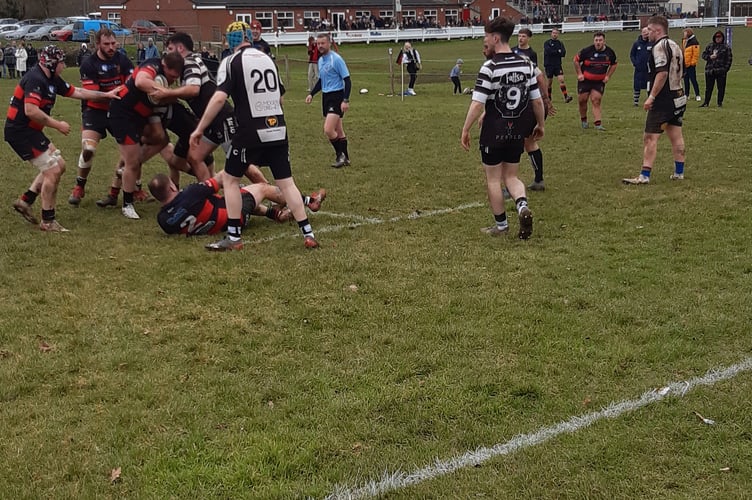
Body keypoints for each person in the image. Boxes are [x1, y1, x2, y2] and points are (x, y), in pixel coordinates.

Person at [190, 21, 319, 250]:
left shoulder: (230, 62)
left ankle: (234, 238)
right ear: (250, 36)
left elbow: (220, 98)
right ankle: (308, 234)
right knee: (287, 183)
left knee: (230, 179)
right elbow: (279, 97)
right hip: (278, 127)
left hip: (250, 130)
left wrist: (200, 128)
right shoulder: (267, 58)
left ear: (230, 41)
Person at [5, 45, 121, 232]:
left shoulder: (52, 79)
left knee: (60, 165)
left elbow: (79, 92)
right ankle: (48, 221)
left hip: (30, 131)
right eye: (61, 62)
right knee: (52, 171)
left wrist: (106, 95)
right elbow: (31, 110)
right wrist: (57, 124)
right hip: (20, 132)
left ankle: (26, 201)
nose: (64, 66)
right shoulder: (36, 79)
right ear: (51, 64)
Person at [460, 17, 544, 240]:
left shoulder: (491, 66)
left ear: (496, 38)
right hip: (517, 128)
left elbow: (478, 102)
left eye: (486, 36)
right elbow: (536, 101)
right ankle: (522, 206)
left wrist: (465, 129)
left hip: (494, 130)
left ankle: (501, 225)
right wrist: (540, 125)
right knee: (512, 176)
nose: (485, 40)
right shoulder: (526, 64)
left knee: (493, 178)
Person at [108, 51, 185, 219]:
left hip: (140, 116)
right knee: (132, 162)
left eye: (175, 78)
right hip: (123, 114)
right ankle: (127, 204)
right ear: (164, 66)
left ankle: (126, 169)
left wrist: (171, 94)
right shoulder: (152, 65)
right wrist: (165, 91)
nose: (172, 81)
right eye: (171, 76)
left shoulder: (164, 73)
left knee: (162, 139)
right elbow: (141, 81)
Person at [66, 28, 134, 206]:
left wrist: (120, 93)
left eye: (113, 43)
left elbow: (131, 82)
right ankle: (79, 186)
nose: (111, 47)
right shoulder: (89, 64)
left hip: (118, 109)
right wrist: (111, 93)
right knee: (89, 149)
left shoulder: (122, 59)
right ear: (98, 45)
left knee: (130, 151)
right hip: (95, 110)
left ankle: (114, 193)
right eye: (107, 44)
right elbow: (91, 93)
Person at [157, 31, 235, 183]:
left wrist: (167, 92)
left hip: (221, 117)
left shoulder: (189, 62)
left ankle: (271, 192)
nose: (168, 53)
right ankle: (209, 195)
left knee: (239, 162)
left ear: (180, 48)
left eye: (170, 48)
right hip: (210, 121)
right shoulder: (189, 63)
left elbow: (193, 89)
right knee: (194, 157)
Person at [148, 170, 327, 236]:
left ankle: (276, 214)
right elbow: (222, 179)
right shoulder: (190, 194)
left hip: (217, 224)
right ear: (172, 187)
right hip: (234, 218)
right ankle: (309, 201)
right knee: (262, 188)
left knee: (240, 195)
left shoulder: (163, 219)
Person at [622, 15, 686, 185]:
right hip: (678, 95)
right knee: (676, 135)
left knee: (650, 136)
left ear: (658, 30)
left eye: (649, 29)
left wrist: (652, 96)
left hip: (663, 99)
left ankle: (644, 175)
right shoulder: (676, 46)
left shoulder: (659, 47)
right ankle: (679, 172)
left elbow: (662, 72)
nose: (647, 33)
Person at [306, 32, 352, 168]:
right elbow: (322, 80)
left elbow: (347, 80)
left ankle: (340, 155)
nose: (320, 46)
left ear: (329, 43)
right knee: (339, 130)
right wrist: (312, 94)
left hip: (336, 96)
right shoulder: (320, 60)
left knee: (328, 129)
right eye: (318, 43)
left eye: (322, 43)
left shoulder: (336, 59)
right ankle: (346, 159)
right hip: (326, 97)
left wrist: (345, 100)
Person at [574, 31, 617, 130]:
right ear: (594, 41)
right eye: (596, 40)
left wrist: (608, 76)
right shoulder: (587, 51)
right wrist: (579, 74)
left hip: (598, 81)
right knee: (582, 100)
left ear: (604, 41)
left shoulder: (610, 52)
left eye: (600, 40)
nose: (598, 42)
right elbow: (576, 60)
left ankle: (598, 124)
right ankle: (584, 120)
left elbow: (614, 64)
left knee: (596, 100)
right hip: (585, 80)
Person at [699, 30, 732, 108]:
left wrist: (725, 69)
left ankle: (719, 103)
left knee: (721, 88)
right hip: (710, 70)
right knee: (708, 88)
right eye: (716, 37)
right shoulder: (710, 46)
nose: (718, 39)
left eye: (719, 37)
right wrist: (709, 57)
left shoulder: (726, 47)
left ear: (722, 38)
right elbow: (704, 55)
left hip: (721, 71)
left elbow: (729, 59)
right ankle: (706, 102)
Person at [543, 28, 573, 103]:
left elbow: (563, 53)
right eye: (553, 33)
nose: (555, 34)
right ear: (551, 34)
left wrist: (557, 52)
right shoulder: (547, 43)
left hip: (557, 64)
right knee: (549, 83)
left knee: (561, 80)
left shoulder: (560, 43)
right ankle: (549, 97)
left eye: (556, 33)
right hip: (549, 65)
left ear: (558, 34)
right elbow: (549, 52)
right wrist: (557, 51)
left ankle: (566, 97)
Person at [630, 27, 652, 107]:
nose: (646, 35)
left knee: (649, 85)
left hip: (649, 69)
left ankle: (649, 101)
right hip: (639, 69)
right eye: (645, 33)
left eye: (647, 33)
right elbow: (632, 54)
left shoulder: (651, 43)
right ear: (642, 33)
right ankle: (636, 102)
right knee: (637, 85)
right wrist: (635, 63)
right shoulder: (636, 44)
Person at [682, 29, 701, 101]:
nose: (684, 35)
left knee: (693, 80)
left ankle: (697, 94)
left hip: (691, 65)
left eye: (685, 33)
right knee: (686, 80)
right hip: (685, 64)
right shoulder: (684, 41)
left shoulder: (694, 42)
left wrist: (692, 63)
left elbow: (695, 54)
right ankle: (687, 94)